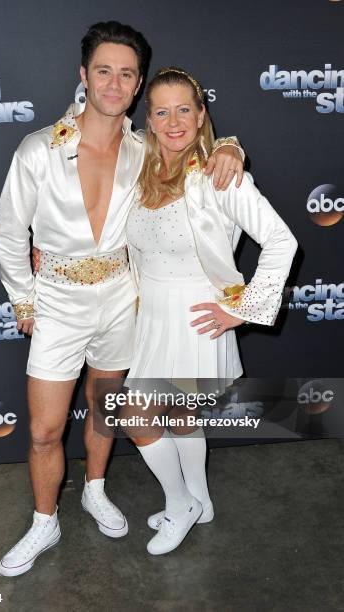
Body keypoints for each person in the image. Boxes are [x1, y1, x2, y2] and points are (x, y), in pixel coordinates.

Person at [0, 21, 245, 577]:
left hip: (122, 301)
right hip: (56, 303)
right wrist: (25, 301)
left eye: (126, 74)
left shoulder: (146, 151)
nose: (113, 83)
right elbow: (10, 234)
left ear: (137, 86)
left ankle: (96, 489)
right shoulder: (38, 149)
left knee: (107, 412)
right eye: (103, 71)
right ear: (85, 76)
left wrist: (230, 144)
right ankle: (43, 522)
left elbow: (196, 149)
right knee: (42, 430)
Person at [120, 67, 298, 555]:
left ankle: (181, 506)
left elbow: (282, 240)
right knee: (180, 414)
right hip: (151, 315)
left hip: (197, 318)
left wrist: (242, 308)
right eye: (162, 111)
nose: (174, 121)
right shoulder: (137, 167)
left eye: (185, 109)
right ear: (148, 121)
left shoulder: (222, 176)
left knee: (136, 413)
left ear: (202, 116)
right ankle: (201, 499)